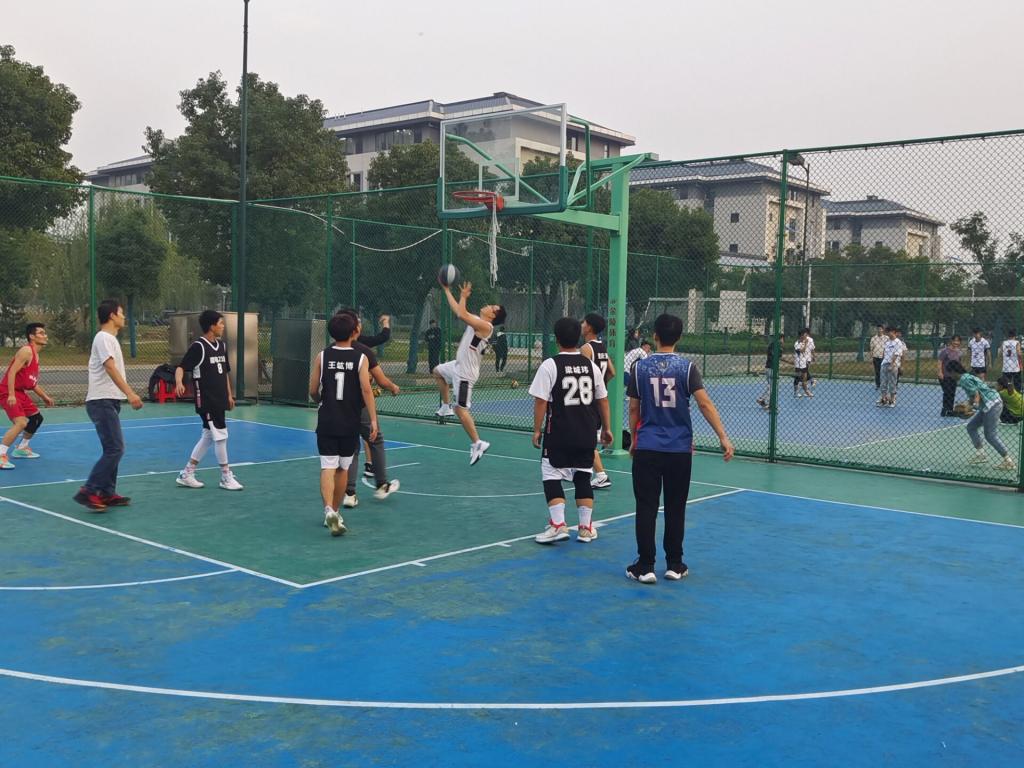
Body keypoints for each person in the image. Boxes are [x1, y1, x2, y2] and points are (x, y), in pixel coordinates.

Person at [626, 313, 734, 584]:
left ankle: (645, 566)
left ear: (655, 336)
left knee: (646, 506)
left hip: (648, 447)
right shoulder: (687, 368)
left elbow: (634, 408)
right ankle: (675, 564)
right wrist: (723, 436)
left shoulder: (640, 368)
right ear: (680, 337)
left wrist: (635, 439)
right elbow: (704, 404)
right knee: (676, 506)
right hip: (679, 449)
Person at [531, 317, 613, 545]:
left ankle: (558, 525)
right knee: (583, 475)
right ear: (578, 338)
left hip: (559, 431)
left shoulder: (550, 365)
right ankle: (586, 528)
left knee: (551, 473)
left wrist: (536, 430)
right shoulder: (591, 366)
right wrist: (606, 428)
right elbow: (603, 399)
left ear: (556, 339)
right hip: (586, 431)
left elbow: (541, 401)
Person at [309, 313, 379, 536]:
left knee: (327, 466)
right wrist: (373, 419)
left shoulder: (322, 356)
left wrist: (320, 401)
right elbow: (366, 390)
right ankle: (336, 510)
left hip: (327, 419)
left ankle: (328, 511)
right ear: (354, 332)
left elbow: (313, 390)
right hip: (350, 421)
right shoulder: (361, 358)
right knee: (342, 468)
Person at [73, 299, 144, 512]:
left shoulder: (110, 339)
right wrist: (130, 393)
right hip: (101, 401)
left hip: (109, 401)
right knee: (115, 448)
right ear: (112, 315)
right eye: (121, 313)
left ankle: (106, 492)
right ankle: (89, 490)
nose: (124, 317)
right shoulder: (103, 337)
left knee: (112, 449)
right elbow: (110, 367)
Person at [432, 281, 507, 465]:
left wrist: (464, 297)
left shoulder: (487, 327)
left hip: (465, 374)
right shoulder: (477, 320)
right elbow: (459, 310)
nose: (488, 305)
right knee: (437, 372)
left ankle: (478, 443)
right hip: (458, 366)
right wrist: (447, 290)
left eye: (492, 307)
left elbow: (461, 313)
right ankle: (445, 406)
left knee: (461, 409)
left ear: (492, 315)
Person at [336, 309, 400, 509]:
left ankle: (349, 493)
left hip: (337, 408)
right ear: (355, 328)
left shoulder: (328, 351)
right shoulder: (363, 352)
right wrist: (393, 387)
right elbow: (380, 381)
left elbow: (316, 388)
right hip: (358, 406)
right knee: (375, 439)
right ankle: (381, 484)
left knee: (352, 447)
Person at [173, 310, 243, 491]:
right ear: (212, 326)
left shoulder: (222, 346)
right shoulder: (199, 347)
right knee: (221, 435)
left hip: (220, 399)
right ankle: (225, 476)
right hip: (207, 400)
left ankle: (187, 473)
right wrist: (179, 382)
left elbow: (224, 373)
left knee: (208, 435)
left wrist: (229, 395)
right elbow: (181, 367)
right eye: (220, 323)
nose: (223, 326)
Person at [0, 322, 55, 469]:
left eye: (45, 333)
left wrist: (45, 397)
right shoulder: (26, 351)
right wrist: (11, 394)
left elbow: (32, 383)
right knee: (21, 422)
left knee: (36, 419)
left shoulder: (36, 356)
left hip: (19, 392)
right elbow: (11, 372)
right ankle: (1, 455)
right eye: (41, 333)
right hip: (7, 391)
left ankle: (22, 448)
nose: (45, 336)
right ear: (32, 336)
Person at [945, 361, 1015, 471]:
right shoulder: (967, 376)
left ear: (953, 371)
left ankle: (1008, 461)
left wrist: (972, 408)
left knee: (990, 435)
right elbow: (973, 396)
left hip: (992, 404)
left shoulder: (964, 380)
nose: (949, 375)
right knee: (971, 427)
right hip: (989, 404)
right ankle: (981, 454)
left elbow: (976, 395)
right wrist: (967, 405)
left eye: (949, 373)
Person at [580, 313, 615, 489]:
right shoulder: (601, 347)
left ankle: (601, 475)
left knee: (586, 441)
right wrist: (601, 385)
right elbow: (612, 372)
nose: (581, 325)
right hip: (598, 400)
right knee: (585, 438)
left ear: (589, 327)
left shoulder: (586, 349)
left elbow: (582, 375)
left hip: (588, 402)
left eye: (584, 322)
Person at [756, 332, 786, 411]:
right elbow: (779, 357)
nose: (783, 340)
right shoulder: (777, 346)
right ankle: (770, 405)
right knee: (774, 387)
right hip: (772, 368)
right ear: (780, 339)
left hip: (769, 367)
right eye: (782, 339)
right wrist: (790, 362)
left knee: (771, 386)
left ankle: (762, 399)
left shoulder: (772, 345)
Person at [878, 326, 904, 408]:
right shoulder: (887, 342)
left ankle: (892, 400)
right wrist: (883, 362)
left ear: (894, 332)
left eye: (889, 332)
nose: (888, 333)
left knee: (892, 383)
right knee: (883, 383)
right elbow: (884, 353)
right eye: (887, 332)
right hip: (884, 364)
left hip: (893, 365)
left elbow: (896, 354)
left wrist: (892, 365)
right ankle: (884, 399)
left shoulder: (898, 342)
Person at [937, 335, 963, 417]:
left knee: (952, 393)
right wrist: (940, 372)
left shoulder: (959, 352)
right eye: (954, 340)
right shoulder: (945, 351)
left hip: (953, 376)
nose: (956, 342)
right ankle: (945, 409)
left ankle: (950, 410)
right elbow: (940, 362)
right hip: (945, 375)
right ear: (951, 341)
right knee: (947, 392)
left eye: (958, 341)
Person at [793, 328, 813, 398]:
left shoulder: (804, 342)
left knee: (804, 378)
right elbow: (802, 351)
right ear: (801, 335)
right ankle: (796, 392)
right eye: (804, 334)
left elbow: (807, 352)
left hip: (804, 363)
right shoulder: (797, 343)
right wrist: (806, 343)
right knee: (797, 378)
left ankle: (806, 391)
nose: (806, 336)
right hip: (798, 364)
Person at [870, 324, 887, 389]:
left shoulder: (886, 338)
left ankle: (884, 384)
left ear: (883, 330)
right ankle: (878, 385)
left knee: (884, 371)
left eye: (880, 329)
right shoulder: (873, 338)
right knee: (877, 372)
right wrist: (871, 358)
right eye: (878, 329)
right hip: (876, 357)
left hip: (884, 357)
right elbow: (871, 349)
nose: (879, 330)